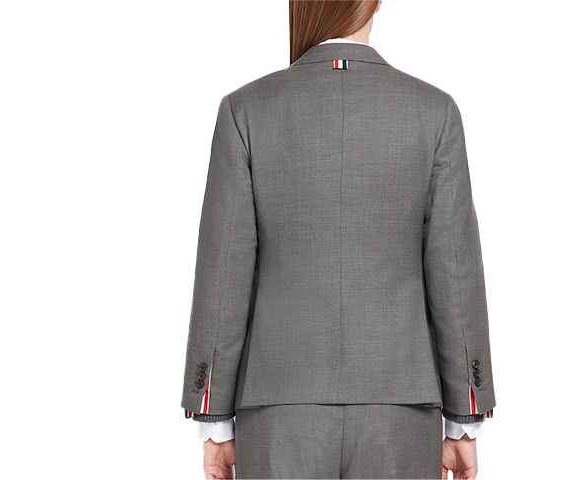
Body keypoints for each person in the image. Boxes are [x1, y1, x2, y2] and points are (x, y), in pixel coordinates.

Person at [180, 1, 496, 478]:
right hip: (400, 411)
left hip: (279, 413)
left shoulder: (245, 111)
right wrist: (465, 421)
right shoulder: (435, 112)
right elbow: (455, 273)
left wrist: (214, 422)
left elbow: (224, 273)